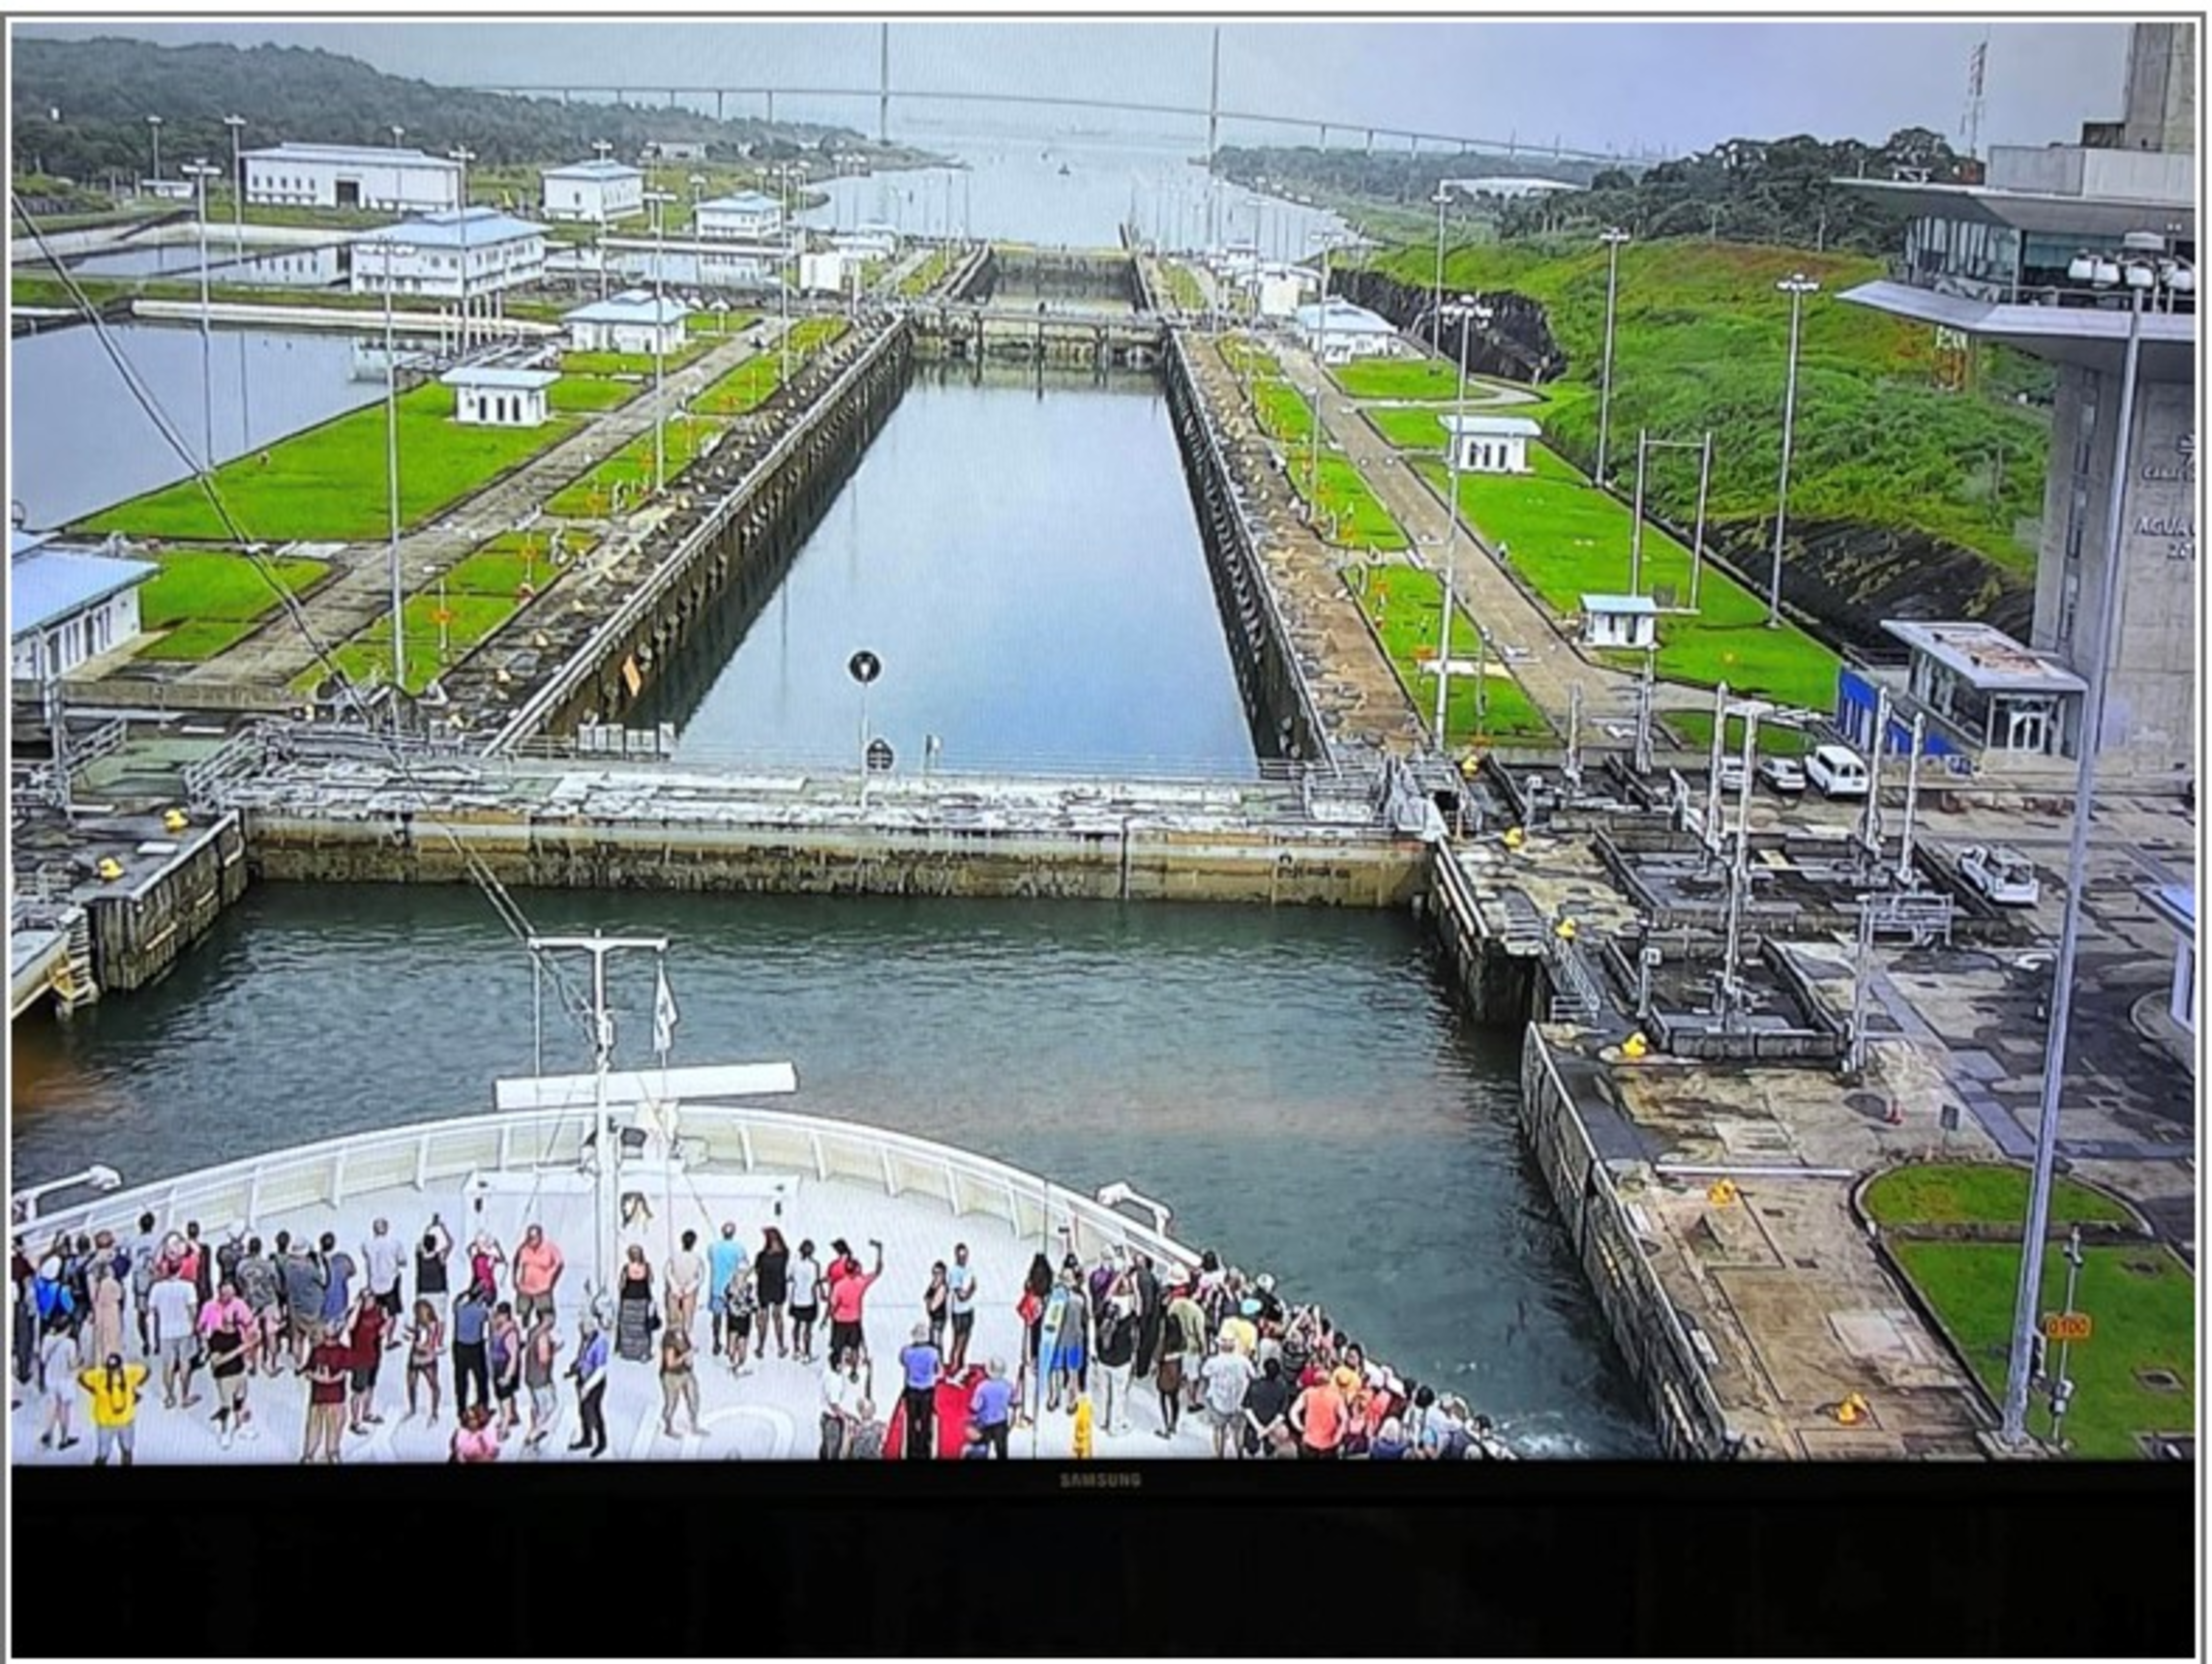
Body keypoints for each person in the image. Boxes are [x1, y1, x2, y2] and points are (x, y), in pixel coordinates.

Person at [78, 1352, 148, 1466]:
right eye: (111, 1369)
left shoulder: (127, 1372)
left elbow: (146, 1371)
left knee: (125, 1450)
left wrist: (134, 1388)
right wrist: (92, 1390)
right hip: (108, 1422)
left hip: (122, 1420)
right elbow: (81, 1378)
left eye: (115, 1369)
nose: (113, 1372)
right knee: (105, 1454)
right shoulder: (100, 1375)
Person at [147, 1263, 200, 1411]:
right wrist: (195, 1327)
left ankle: (170, 1396)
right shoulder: (188, 1287)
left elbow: (151, 1309)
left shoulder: (157, 1288)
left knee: (168, 1366)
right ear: (180, 1270)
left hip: (165, 1331)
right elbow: (193, 1309)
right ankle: (185, 1396)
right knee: (184, 1363)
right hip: (185, 1329)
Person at [204, 1302, 255, 1450]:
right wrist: (238, 1351)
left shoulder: (237, 1332)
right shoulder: (216, 1337)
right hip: (225, 1376)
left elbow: (243, 1349)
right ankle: (225, 1433)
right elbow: (216, 1361)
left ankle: (241, 1427)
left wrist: (247, 1358)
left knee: (240, 1402)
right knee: (226, 1407)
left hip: (240, 1372)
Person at [825, 1239, 882, 1370]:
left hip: (839, 1319)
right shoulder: (861, 1282)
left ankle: (837, 1365)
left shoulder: (839, 1285)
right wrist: (879, 1252)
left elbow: (833, 1304)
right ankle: (854, 1368)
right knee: (855, 1345)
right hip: (855, 1319)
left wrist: (828, 1316)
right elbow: (877, 1271)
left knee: (838, 1346)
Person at [1199, 1332, 1255, 1460]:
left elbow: (1204, 1373)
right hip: (1238, 1402)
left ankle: (1220, 1455)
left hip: (1218, 1402)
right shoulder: (1243, 1360)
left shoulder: (1213, 1362)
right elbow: (1253, 1374)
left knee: (1219, 1429)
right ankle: (1240, 1454)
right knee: (1238, 1431)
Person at [300, 1326, 350, 1465]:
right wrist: (323, 1378)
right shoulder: (339, 1351)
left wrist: (319, 1378)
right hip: (329, 1397)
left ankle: (313, 1455)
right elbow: (342, 1374)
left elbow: (308, 1372)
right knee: (327, 1427)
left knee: (318, 1427)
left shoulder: (321, 1350)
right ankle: (322, 1455)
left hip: (326, 1397)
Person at [233, 1238, 282, 1377]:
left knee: (251, 1334)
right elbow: (276, 1283)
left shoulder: (241, 1265)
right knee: (271, 1334)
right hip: (268, 1301)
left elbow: (239, 1282)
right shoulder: (268, 1265)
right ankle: (272, 1364)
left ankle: (252, 1364)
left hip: (251, 1303)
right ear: (260, 1249)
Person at [1164, 1275, 1209, 1417]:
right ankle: (1191, 1402)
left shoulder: (1174, 1304)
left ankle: (1175, 1389)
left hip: (1176, 1342)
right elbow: (1200, 1333)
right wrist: (1204, 1350)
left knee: (1179, 1368)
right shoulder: (1197, 1311)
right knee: (1192, 1375)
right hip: (1191, 1346)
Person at [1093, 1293, 1138, 1438]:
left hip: (1103, 1362)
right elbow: (1137, 1310)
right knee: (1118, 1396)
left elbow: (1104, 1301)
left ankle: (1102, 1420)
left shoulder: (1100, 1322)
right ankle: (1115, 1426)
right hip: (1120, 1365)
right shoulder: (1125, 1326)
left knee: (1103, 1392)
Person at [897, 1322, 942, 1461]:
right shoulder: (933, 1352)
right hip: (927, 1389)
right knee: (925, 1420)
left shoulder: (907, 1352)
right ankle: (924, 1449)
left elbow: (902, 1362)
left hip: (912, 1389)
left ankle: (912, 1448)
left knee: (911, 1420)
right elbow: (938, 1370)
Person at [279, 1235, 325, 1370]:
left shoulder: (287, 1265)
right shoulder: (309, 1268)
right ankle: (315, 1364)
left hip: (295, 1306)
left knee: (297, 1338)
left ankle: (297, 1364)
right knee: (316, 1338)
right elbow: (322, 1279)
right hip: (311, 1308)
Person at [567, 1315, 610, 1458]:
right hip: (583, 1379)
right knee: (583, 1411)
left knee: (594, 1412)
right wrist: (575, 1367)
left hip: (594, 1383)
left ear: (591, 1327)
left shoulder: (600, 1342)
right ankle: (587, 1438)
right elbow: (583, 1356)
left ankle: (602, 1442)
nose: (580, 1328)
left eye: (583, 1326)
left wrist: (587, 1387)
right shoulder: (586, 1339)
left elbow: (601, 1369)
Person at [1289, 1366, 1352, 1461]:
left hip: (1309, 1441)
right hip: (1329, 1443)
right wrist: (1338, 1436)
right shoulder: (1336, 1396)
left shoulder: (1308, 1393)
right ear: (1329, 1381)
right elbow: (1344, 1419)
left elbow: (1293, 1412)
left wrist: (1300, 1427)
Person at [38, 1316, 80, 1452]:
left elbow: (43, 1359)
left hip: (50, 1378)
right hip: (65, 1380)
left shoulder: (47, 1339)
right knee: (64, 1409)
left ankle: (48, 1433)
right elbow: (72, 1365)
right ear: (68, 1328)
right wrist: (80, 1362)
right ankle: (64, 1439)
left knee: (53, 1407)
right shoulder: (70, 1343)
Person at [450, 1281, 493, 1418]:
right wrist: (484, 1301)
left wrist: (468, 1293)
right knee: (481, 1378)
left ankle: (461, 1408)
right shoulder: (480, 1310)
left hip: (459, 1346)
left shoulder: (459, 1307)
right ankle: (482, 1406)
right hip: (475, 1347)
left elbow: (456, 1302)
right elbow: (487, 1318)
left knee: (460, 1379)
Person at [522, 1306, 561, 1449]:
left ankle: (533, 1429)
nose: (554, 1320)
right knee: (550, 1405)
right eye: (552, 1317)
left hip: (530, 1374)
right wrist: (555, 1349)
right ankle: (534, 1434)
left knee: (535, 1405)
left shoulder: (533, 1331)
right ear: (546, 1319)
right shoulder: (543, 1336)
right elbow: (544, 1359)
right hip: (541, 1377)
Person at [705, 1223, 747, 1359]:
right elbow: (744, 1265)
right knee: (732, 1319)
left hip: (717, 1287)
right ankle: (731, 1345)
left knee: (716, 1317)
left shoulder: (713, 1247)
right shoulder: (739, 1248)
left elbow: (710, 1258)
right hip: (732, 1289)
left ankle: (716, 1341)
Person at [361, 1219, 405, 1347]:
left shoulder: (367, 1244)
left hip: (374, 1283)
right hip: (390, 1282)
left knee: (378, 1312)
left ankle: (377, 1335)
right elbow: (402, 1261)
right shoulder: (394, 1243)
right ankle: (388, 1337)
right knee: (392, 1313)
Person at [1241, 1355, 1293, 1458]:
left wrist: (1258, 1428)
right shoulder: (1282, 1387)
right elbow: (1281, 1414)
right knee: (1270, 1452)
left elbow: (1246, 1408)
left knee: (1251, 1451)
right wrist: (1267, 1430)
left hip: (1252, 1428)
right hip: (1272, 1428)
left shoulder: (1255, 1384)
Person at [512, 1225, 563, 1327]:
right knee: (523, 1314)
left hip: (542, 1288)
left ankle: (541, 1334)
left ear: (540, 1236)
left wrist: (551, 1278)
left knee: (546, 1316)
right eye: (529, 1237)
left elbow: (559, 1263)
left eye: (534, 1237)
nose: (531, 1240)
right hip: (525, 1288)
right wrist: (514, 1280)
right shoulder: (523, 1248)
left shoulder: (549, 1247)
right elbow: (515, 1262)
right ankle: (525, 1332)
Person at [404, 1298, 444, 1425]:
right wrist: (409, 1333)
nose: (420, 1313)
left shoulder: (434, 1324)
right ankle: (412, 1409)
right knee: (411, 1383)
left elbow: (434, 1342)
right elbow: (416, 1336)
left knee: (434, 1385)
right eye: (418, 1311)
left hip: (428, 1359)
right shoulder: (417, 1323)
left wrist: (425, 1347)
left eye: (422, 1310)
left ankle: (434, 1412)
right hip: (414, 1358)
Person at [819, 1346, 863, 1460]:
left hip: (825, 1417)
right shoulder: (834, 1381)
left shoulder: (828, 1372)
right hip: (832, 1421)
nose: (846, 1361)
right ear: (838, 1365)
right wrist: (847, 1418)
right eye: (844, 1359)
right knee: (833, 1451)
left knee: (825, 1448)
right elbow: (834, 1405)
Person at [127, 1212, 162, 1355]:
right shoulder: (158, 1239)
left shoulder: (134, 1241)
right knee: (158, 1312)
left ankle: (146, 1342)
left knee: (141, 1314)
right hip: (155, 1277)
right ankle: (158, 1342)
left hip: (140, 1280)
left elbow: (132, 1262)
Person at [614, 1244, 656, 1364]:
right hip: (642, 1299)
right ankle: (642, 1352)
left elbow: (621, 1285)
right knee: (642, 1327)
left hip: (628, 1300)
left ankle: (628, 1351)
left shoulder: (626, 1268)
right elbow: (651, 1280)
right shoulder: (647, 1267)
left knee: (629, 1328)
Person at [659, 1322, 701, 1440]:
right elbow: (670, 1364)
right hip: (671, 1376)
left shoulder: (684, 1335)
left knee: (693, 1397)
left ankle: (694, 1424)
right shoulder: (669, 1341)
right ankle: (668, 1426)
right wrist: (685, 1356)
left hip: (685, 1372)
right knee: (672, 1402)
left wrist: (690, 1356)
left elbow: (688, 1353)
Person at [754, 1227, 791, 1361]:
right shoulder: (784, 1254)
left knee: (763, 1318)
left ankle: (760, 1347)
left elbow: (757, 1271)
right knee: (778, 1317)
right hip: (779, 1288)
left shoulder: (761, 1256)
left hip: (764, 1288)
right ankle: (780, 1346)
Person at [489, 1301, 523, 1440]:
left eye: (500, 1314)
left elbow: (513, 1356)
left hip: (505, 1368)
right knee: (501, 1397)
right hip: (497, 1367)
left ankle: (504, 1429)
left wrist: (508, 1375)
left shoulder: (510, 1332)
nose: (498, 1316)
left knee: (505, 1399)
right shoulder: (498, 1328)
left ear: (506, 1315)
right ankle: (508, 1418)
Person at [969, 1357, 1014, 1459]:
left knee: (981, 1452)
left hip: (984, 1423)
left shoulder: (982, 1386)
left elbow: (975, 1406)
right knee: (1002, 1452)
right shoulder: (1008, 1385)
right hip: (1001, 1422)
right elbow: (1014, 1401)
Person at [665, 1230, 705, 1342]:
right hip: (688, 1292)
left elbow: (667, 1273)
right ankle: (684, 1341)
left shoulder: (674, 1256)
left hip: (675, 1290)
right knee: (687, 1319)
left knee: (673, 1317)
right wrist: (688, 1289)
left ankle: (674, 1341)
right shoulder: (697, 1258)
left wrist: (675, 1287)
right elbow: (699, 1277)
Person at [788, 1238, 821, 1364]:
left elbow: (789, 1277)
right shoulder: (815, 1265)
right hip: (810, 1300)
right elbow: (815, 1282)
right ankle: (807, 1353)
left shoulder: (795, 1264)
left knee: (796, 1325)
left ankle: (796, 1350)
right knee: (808, 1328)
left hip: (797, 1299)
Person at [945, 1243, 977, 1374]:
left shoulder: (969, 1268)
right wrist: (970, 1292)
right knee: (958, 1340)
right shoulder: (954, 1272)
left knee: (966, 1339)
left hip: (969, 1310)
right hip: (959, 1312)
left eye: (965, 1255)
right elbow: (961, 1296)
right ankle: (954, 1366)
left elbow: (974, 1284)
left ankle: (961, 1363)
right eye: (960, 1256)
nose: (963, 1259)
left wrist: (969, 1291)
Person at [317, 1233, 355, 1334]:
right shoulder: (343, 1259)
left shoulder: (318, 1262)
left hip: (323, 1307)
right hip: (341, 1303)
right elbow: (352, 1271)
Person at [414, 1217, 453, 1316]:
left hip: (423, 1291)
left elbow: (419, 1244)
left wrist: (429, 1227)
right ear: (435, 1245)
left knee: (423, 1320)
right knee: (439, 1319)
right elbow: (450, 1243)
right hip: (438, 1291)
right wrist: (442, 1227)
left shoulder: (420, 1257)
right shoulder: (439, 1257)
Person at [922, 1263, 950, 1357]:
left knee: (936, 1342)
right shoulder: (933, 1285)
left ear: (943, 1274)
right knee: (933, 1341)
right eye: (934, 1273)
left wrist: (929, 1302)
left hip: (939, 1318)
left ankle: (939, 1362)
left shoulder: (942, 1287)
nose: (935, 1275)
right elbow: (926, 1298)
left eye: (938, 1273)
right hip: (933, 1317)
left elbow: (933, 1306)